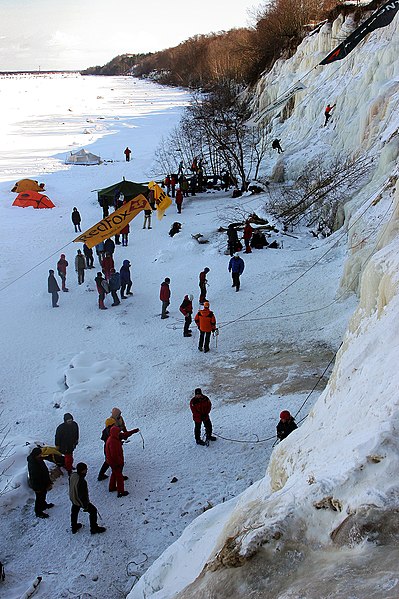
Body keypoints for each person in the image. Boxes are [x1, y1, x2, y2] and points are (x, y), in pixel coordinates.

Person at [69, 462, 106, 534]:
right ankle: (94, 528)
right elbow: (82, 495)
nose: (87, 470)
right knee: (93, 511)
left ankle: (74, 526)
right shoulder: (82, 481)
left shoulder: (73, 475)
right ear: (83, 471)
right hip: (79, 500)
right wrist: (85, 505)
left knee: (74, 511)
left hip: (73, 497)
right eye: (86, 469)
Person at [105, 425, 139, 497]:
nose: (119, 433)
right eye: (118, 432)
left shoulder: (114, 437)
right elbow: (114, 455)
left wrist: (134, 431)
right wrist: (120, 463)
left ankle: (112, 487)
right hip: (115, 463)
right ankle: (121, 492)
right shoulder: (113, 442)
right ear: (115, 432)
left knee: (114, 473)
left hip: (112, 462)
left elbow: (124, 434)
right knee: (119, 477)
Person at [97, 407, 128, 481]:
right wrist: (118, 441)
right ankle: (117, 476)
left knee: (111, 461)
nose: (120, 415)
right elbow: (110, 437)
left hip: (116, 441)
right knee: (114, 461)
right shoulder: (110, 422)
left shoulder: (119, 419)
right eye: (119, 414)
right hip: (111, 445)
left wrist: (125, 434)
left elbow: (123, 426)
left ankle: (102, 475)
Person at [27, 447, 54, 519]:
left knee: (43, 495)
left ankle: (43, 505)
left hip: (43, 482)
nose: (41, 455)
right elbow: (35, 477)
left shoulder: (37, 459)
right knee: (39, 498)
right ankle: (38, 512)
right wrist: (38, 487)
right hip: (38, 484)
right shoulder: (33, 464)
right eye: (40, 454)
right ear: (36, 455)